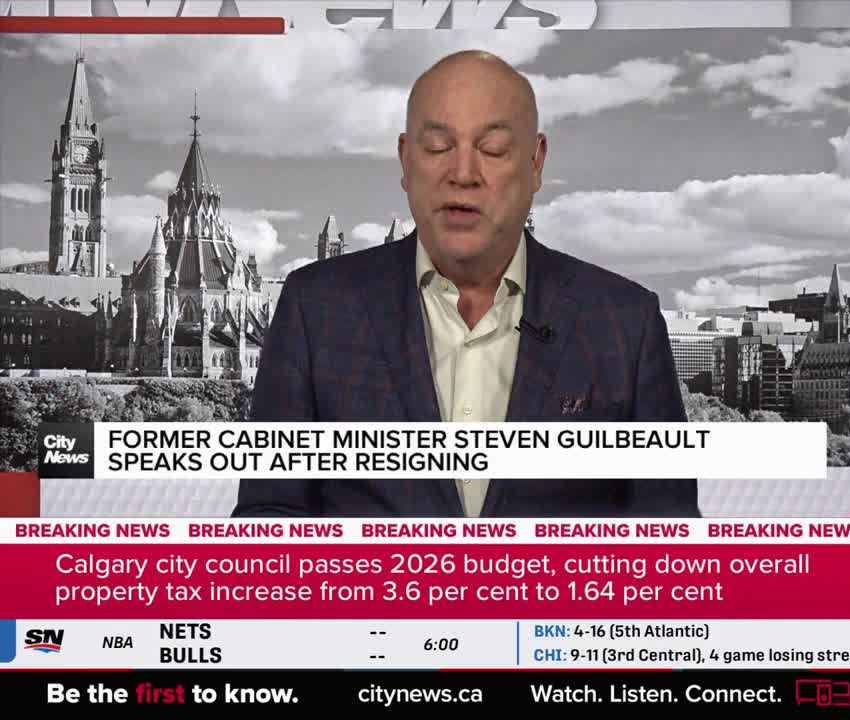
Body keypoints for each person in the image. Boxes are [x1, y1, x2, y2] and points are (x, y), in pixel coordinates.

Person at [232, 50, 699, 518]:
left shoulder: (625, 323)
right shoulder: (314, 310)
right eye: (437, 147)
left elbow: (673, 549)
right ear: (405, 159)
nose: (462, 174)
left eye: (492, 149)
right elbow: (266, 528)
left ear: (536, 163)